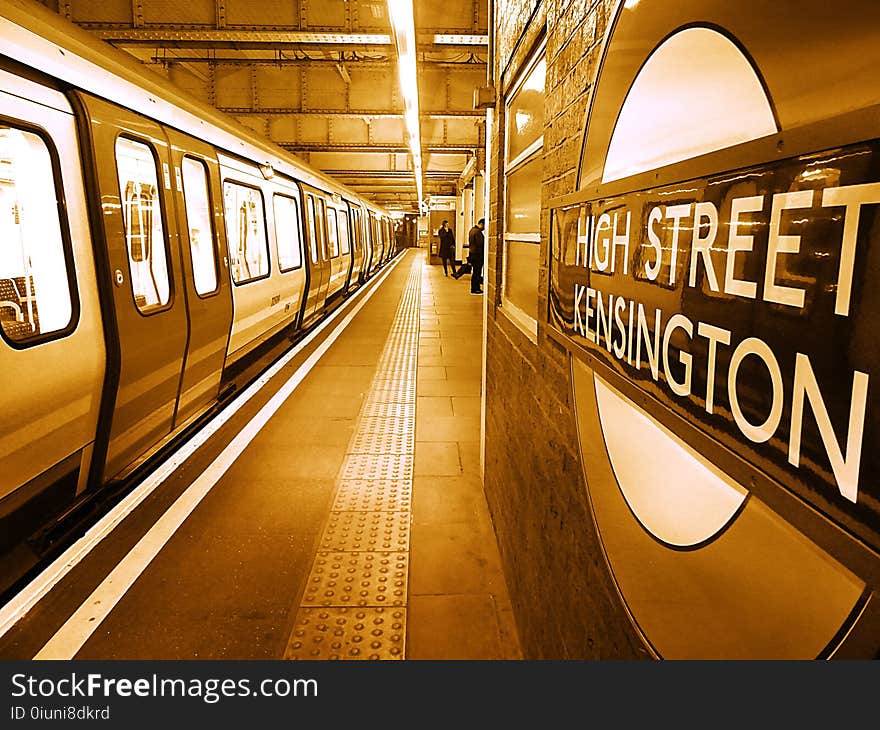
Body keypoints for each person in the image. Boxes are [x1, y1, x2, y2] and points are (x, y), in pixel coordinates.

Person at [467, 218, 485, 294]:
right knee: (477, 273)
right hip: (477, 255)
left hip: (472, 254)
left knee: (475, 272)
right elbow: (480, 244)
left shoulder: (472, 230)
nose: (484, 228)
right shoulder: (478, 232)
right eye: (484, 226)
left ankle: (474, 288)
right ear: (481, 224)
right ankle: (476, 288)